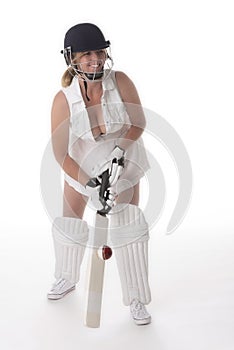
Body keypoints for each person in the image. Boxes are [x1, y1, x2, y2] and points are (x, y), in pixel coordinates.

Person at [47, 23, 152, 325]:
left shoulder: (120, 81)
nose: (96, 59)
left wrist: (119, 153)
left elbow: (139, 122)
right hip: (82, 169)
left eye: (99, 52)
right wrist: (89, 184)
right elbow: (60, 154)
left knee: (129, 230)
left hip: (124, 164)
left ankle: (136, 299)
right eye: (87, 54)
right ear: (72, 59)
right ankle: (66, 278)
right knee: (68, 225)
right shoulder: (62, 100)